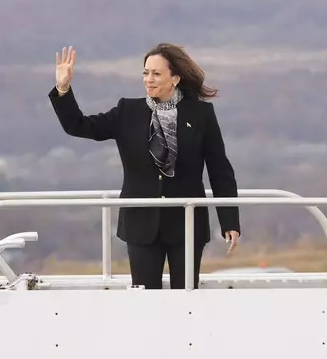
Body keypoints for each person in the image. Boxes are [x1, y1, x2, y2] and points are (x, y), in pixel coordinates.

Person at [48, 43, 241, 289]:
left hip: (187, 223)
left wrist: (230, 222)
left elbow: (219, 169)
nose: (148, 80)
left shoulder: (200, 114)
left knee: (186, 298)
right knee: (145, 299)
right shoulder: (127, 110)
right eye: (145, 73)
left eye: (156, 74)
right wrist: (63, 89)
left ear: (175, 78)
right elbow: (79, 126)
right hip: (140, 224)